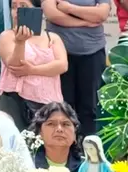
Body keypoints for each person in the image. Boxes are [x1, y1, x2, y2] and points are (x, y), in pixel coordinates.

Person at [42, 0, 111, 135]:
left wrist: (68, 8)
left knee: (90, 108)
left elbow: (101, 14)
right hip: (59, 54)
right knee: (60, 108)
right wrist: (85, 21)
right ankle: (66, 151)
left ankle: (87, 150)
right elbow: (52, 14)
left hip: (93, 52)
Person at [0, 0, 68, 131]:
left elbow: (62, 65)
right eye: (14, 7)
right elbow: (15, 66)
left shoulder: (52, 37)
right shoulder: (7, 36)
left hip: (48, 102)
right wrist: (20, 42)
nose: (17, 11)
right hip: (15, 100)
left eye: (23, 6)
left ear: (37, 10)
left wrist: (31, 69)